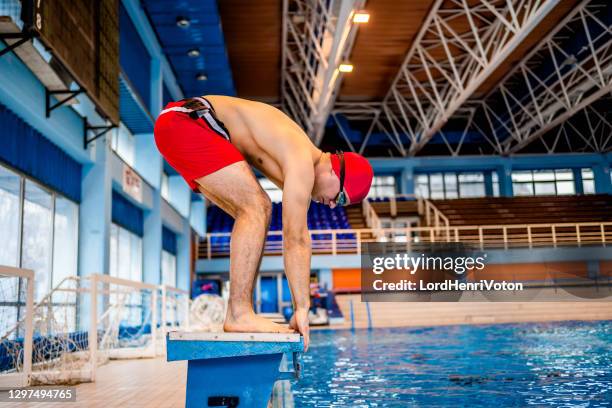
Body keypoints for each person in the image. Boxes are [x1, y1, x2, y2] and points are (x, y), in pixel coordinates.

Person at [154, 95, 373, 350]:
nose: (334, 204)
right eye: (341, 196)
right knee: (257, 207)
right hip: (188, 122)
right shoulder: (302, 159)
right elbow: (296, 239)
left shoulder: (296, 158)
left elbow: (295, 235)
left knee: (255, 212)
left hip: (183, 124)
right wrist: (303, 308)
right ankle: (239, 313)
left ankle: (239, 312)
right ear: (336, 171)